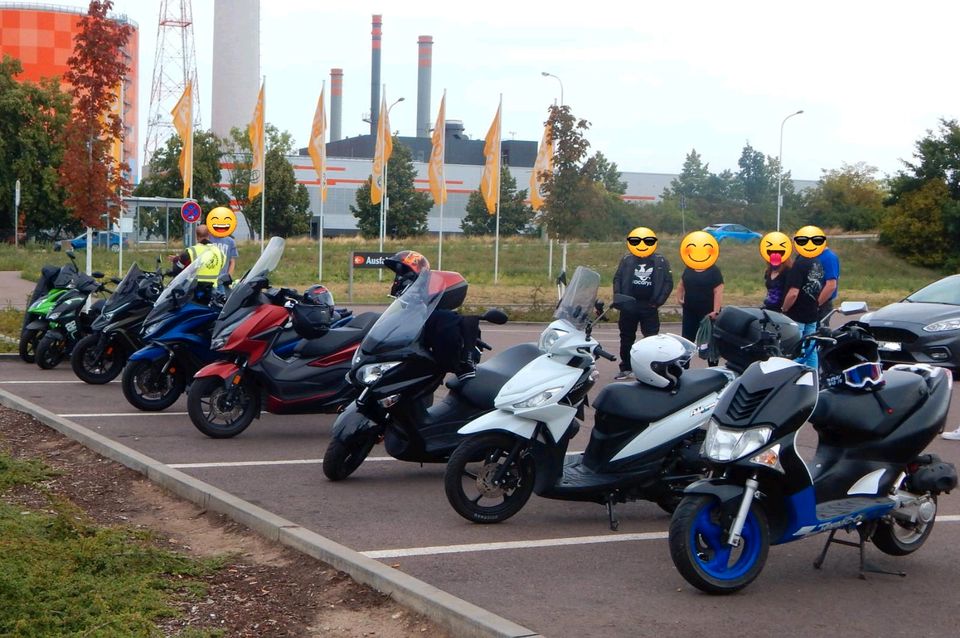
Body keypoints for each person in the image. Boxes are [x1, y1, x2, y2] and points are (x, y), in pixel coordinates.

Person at [383, 250, 479, 381]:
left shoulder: (432, 314)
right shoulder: (407, 309)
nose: (398, 279)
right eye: (399, 275)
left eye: (404, 274)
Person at [612, 227, 673, 380]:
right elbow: (617, 279)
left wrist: (658, 302)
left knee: (651, 339)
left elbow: (668, 282)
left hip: (649, 306)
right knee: (626, 337)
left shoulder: (660, 261)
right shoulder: (627, 259)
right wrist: (619, 299)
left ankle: (651, 369)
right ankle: (626, 367)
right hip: (628, 306)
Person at [780, 255, 824, 370]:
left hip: (797, 313)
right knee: (811, 349)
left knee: (795, 348)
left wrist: (784, 308)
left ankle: (794, 376)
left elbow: (793, 292)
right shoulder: (817, 262)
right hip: (812, 311)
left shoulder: (798, 265)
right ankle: (813, 375)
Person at [169, 224, 227, 303]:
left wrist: (176, 261)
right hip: (212, 291)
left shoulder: (191, 251)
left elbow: (177, 270)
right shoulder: (219, 252)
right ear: (209, 234)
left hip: (193, 291)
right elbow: (220, 266)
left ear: (196, 236)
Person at [817, 245, 840, 322]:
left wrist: (817, 304)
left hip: (822, 304)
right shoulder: (814, 256)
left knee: (818, 331)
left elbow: (831, 285)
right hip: (811, 304)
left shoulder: (829, 258)